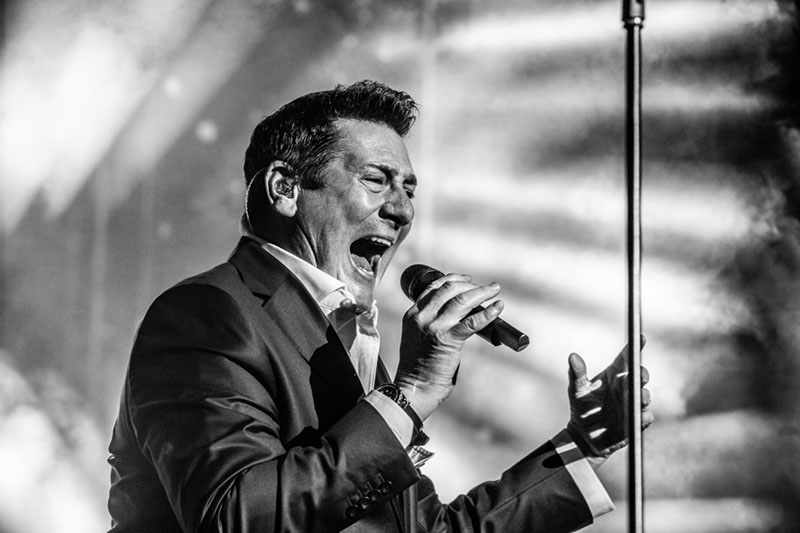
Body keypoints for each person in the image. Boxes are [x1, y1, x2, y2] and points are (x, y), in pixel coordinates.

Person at [107, 80, 653, 532]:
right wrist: (410, 394)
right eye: (376, 180)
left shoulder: (343, 339)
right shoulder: (206, 314)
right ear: (285, 188)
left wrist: (582, 447)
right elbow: (235, 518)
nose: (402, 210)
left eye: (409, 190)